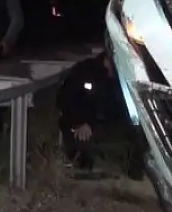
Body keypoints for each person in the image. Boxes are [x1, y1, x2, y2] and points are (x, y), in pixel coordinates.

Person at [56, 49, 144, 179]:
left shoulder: (124, 76)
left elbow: (121, 110)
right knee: (83, 143)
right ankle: (83, 167)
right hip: (80, 125)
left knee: (139, 136)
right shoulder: (85, 70)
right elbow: (64, 99)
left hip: (108, 127)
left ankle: (131, 173)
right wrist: (80, 122)